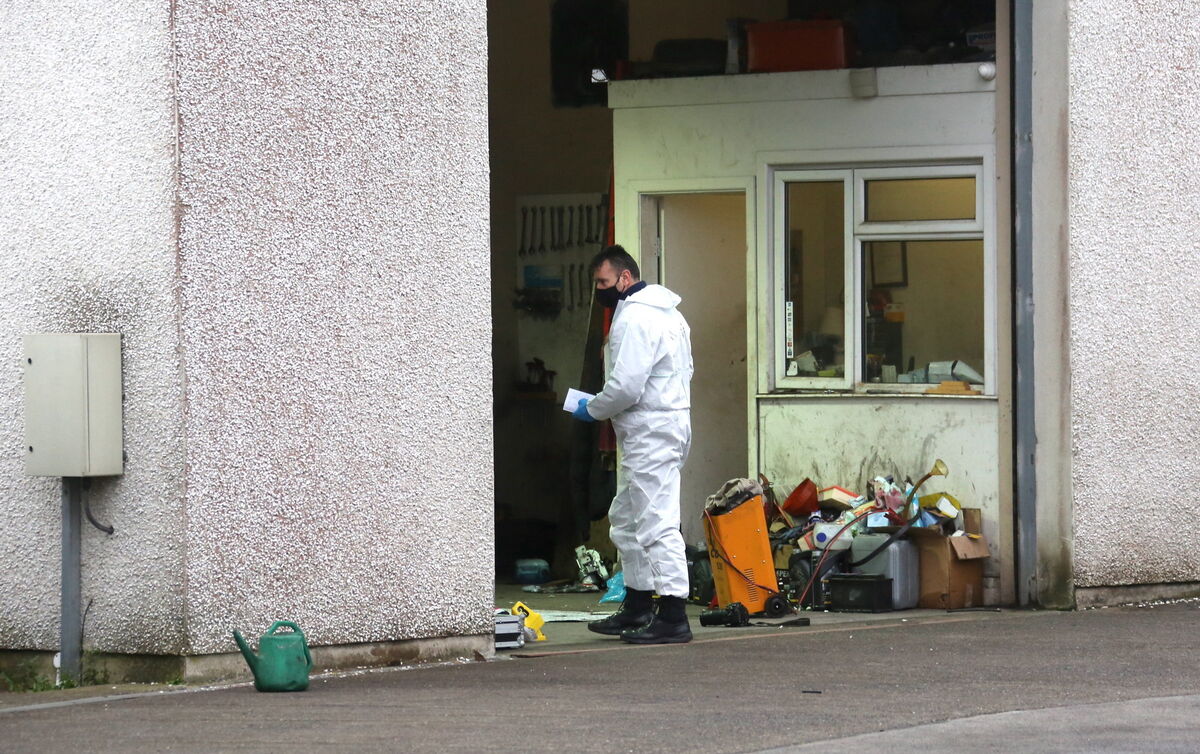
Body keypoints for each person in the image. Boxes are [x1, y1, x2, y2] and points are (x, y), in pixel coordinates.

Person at [571, 245, 694, 644]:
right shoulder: (669, 314)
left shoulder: (636, 318)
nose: (600, 291)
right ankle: (639, 604)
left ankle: (673, 614)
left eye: (604, 283)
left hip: (650, 432)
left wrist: (594, 408)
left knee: (657, 523)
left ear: (625, 278)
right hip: (661, 426)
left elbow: (625, 386)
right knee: (625, 519)